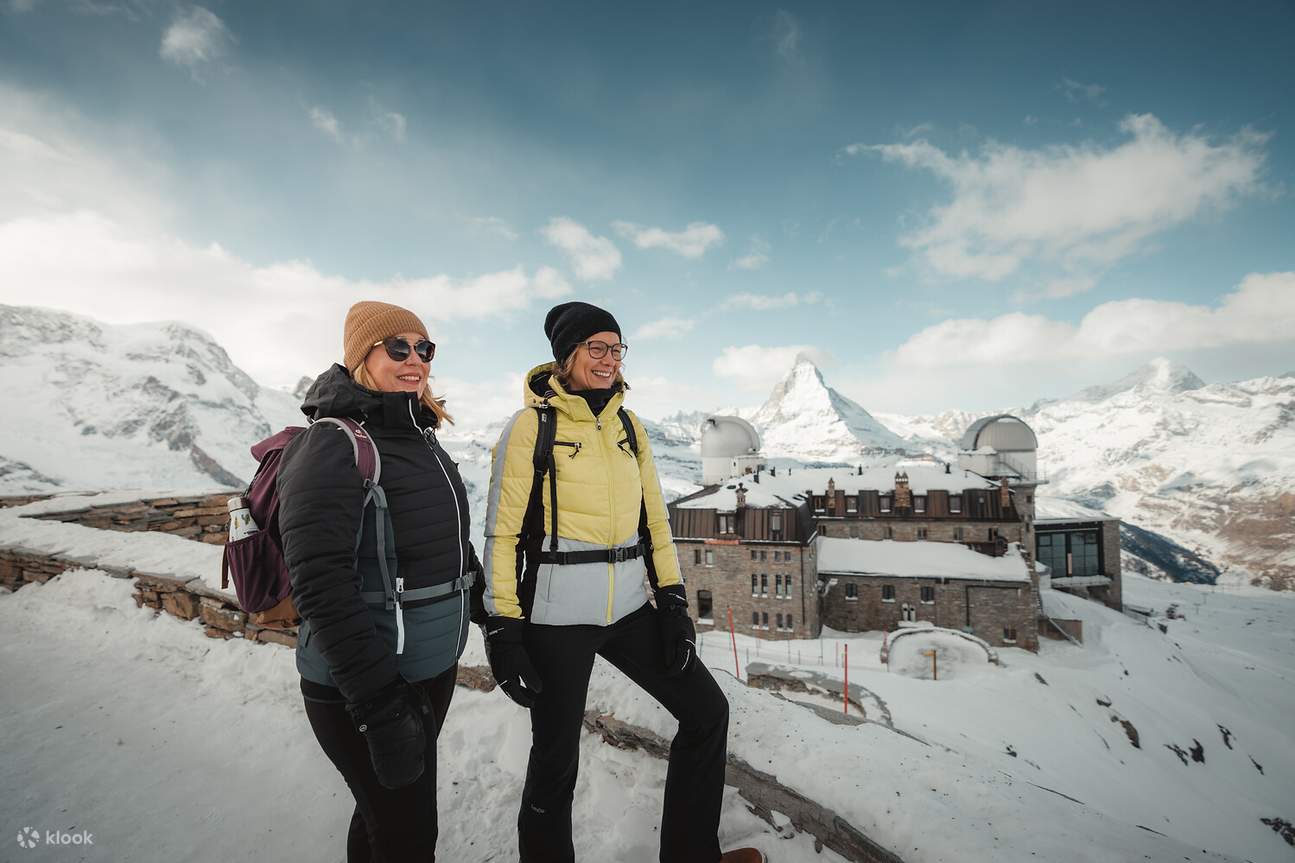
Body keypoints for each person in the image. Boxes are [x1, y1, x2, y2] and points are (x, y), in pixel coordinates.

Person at [480, 301, 765, 863]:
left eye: (616, 348)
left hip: (632, 608)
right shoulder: (531, 427)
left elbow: (654, 520)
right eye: (596, 348)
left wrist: (675, 605)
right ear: (567, 355)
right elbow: (502, 536)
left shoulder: (628, 426)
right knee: (556, 762)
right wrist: (503, 630)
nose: (609, 359)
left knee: (707, 712)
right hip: (559, 617)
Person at [278, 300, 476, 862]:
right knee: (409, 838)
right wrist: (380, 704)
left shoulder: (421, 438)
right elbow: (318, 583)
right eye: (398, 347)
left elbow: (447, 546)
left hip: (423, 674)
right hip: (362, 687)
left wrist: (495, 615)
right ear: (362, 355)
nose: (415, 360)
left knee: (382, 824)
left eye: (424, 348)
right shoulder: (332, 444)